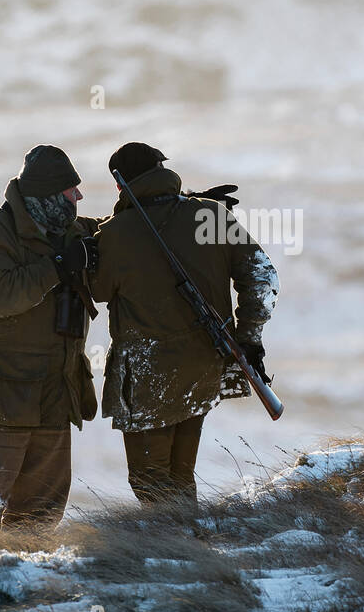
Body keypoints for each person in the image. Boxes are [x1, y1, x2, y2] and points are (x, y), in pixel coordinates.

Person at [91, 142, 278, 515]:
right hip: (203, 369)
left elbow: (96, 289)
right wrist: (249, 339)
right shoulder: (211, 216)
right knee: (179, 476)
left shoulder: (114, 235)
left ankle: (174, 557)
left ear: (120, 186)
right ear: (163, 169)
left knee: (150, 483)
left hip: (147, 380)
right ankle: (189, 546)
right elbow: (262, 277)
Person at [0, 145, 100, 539]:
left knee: (40, 516)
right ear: (47, 196)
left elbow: (118, 230)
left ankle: (25, 589)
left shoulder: (68, 231)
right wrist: (59, 266)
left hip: (53, 395)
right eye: (70, 191)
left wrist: (174, 206)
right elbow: (1, 297)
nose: (79, 197)